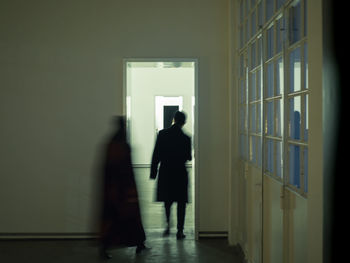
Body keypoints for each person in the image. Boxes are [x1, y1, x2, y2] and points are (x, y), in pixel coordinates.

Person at [100, 116, 147, 259]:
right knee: (128, 219)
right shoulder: (122, 146)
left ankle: (106, 247)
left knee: (114, 221)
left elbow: (106, 170)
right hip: (123, 192)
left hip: (113, 191)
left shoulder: (110, 145)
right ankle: (139, 244)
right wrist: (130, 190)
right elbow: (126, 171)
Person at [150, 111, 192, 240]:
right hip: (180, 172)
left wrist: (153, 172)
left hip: (166, 171)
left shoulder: (162, 134)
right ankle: (180, 231)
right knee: (181, 203)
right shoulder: (186, 138)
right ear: (184, 122)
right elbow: (188, 157)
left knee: (167, 201)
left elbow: (156, 154)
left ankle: (168, 227)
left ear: (173, 120)